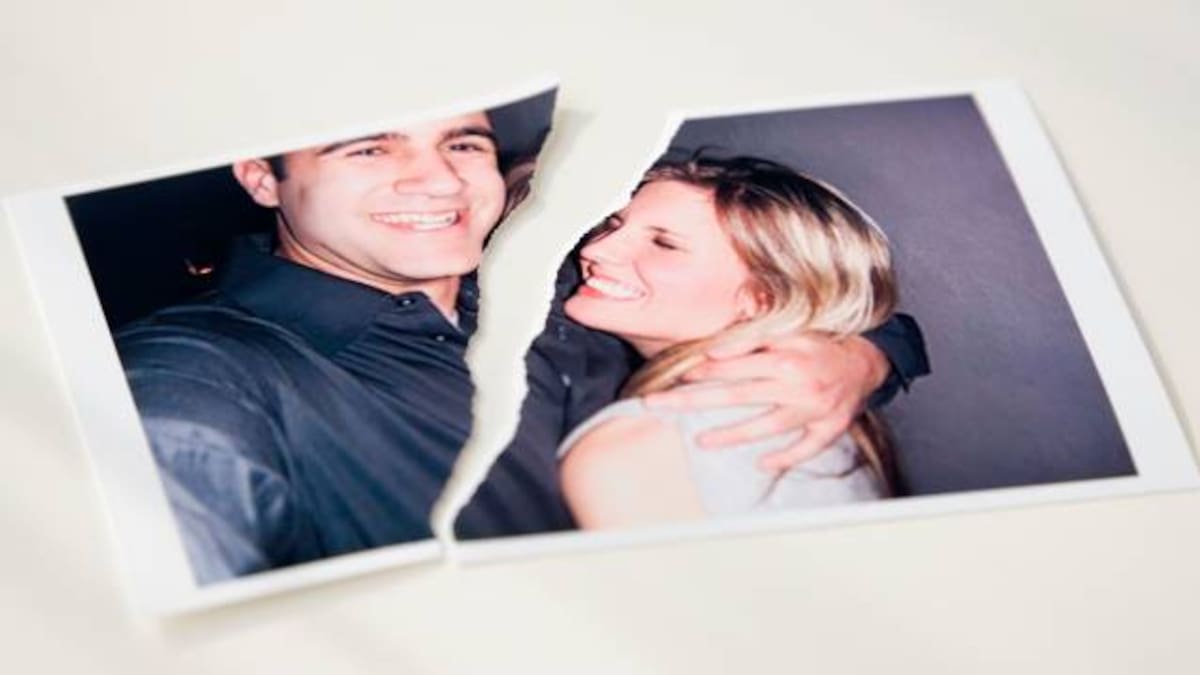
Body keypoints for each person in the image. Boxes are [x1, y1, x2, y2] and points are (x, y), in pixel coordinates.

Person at [115, 104, 928, 582]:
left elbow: (783, 284)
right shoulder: (199, 375)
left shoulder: (557, 282)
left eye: (462, 143)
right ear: (263, 176)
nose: (438, 180)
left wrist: (858, 352)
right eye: (368, 145)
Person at [557, 156, 900, 529]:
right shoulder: (805, 409)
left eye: (664, 244)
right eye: (613, 224)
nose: (595, 250)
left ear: (761, 299)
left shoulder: (641, 446)